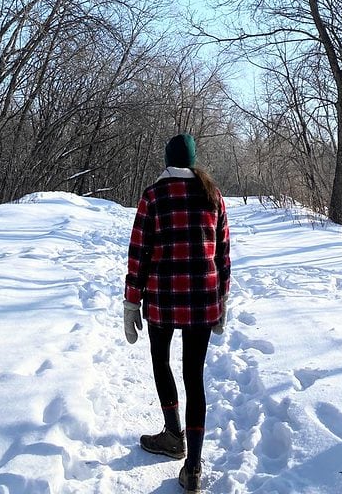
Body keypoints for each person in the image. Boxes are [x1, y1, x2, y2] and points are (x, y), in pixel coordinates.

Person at [123, 133, 231, 494]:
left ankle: (173, 434)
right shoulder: (212, 195)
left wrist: (130, 301)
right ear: (194, 160)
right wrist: (222, 300)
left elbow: (138, 252)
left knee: (160, 360)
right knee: (194, 377)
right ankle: (194, 466)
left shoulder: (153, 196)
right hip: (202, 300)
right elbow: (223, 255)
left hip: (163, 298)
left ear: (167, 161)